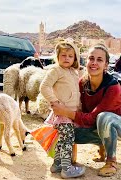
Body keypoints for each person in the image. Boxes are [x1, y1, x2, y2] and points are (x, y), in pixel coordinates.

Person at [51, 44, 121, 177]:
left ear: (106, 65)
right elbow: (78, 109)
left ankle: (111, 162)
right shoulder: (82, 83)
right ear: (86, 61)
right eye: (91, 58)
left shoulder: (113, 87)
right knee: (65, 127)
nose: (94, 63)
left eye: (99, 60)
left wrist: (65, 111)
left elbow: (92, 117)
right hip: (98, 123)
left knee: (104, 118)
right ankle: (69, 159)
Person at [40, 40, 85, 178]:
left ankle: (57, 164)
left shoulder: (72, 71)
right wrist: (55, 102)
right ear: (57, 56)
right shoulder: (56, 70)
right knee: (67, 140)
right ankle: (67, 169)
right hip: (62, 112)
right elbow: (44, 86)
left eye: (70, 56)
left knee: (62, 139)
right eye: (63, 55)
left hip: (70, 113)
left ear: (75, 58)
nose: (67, 58)